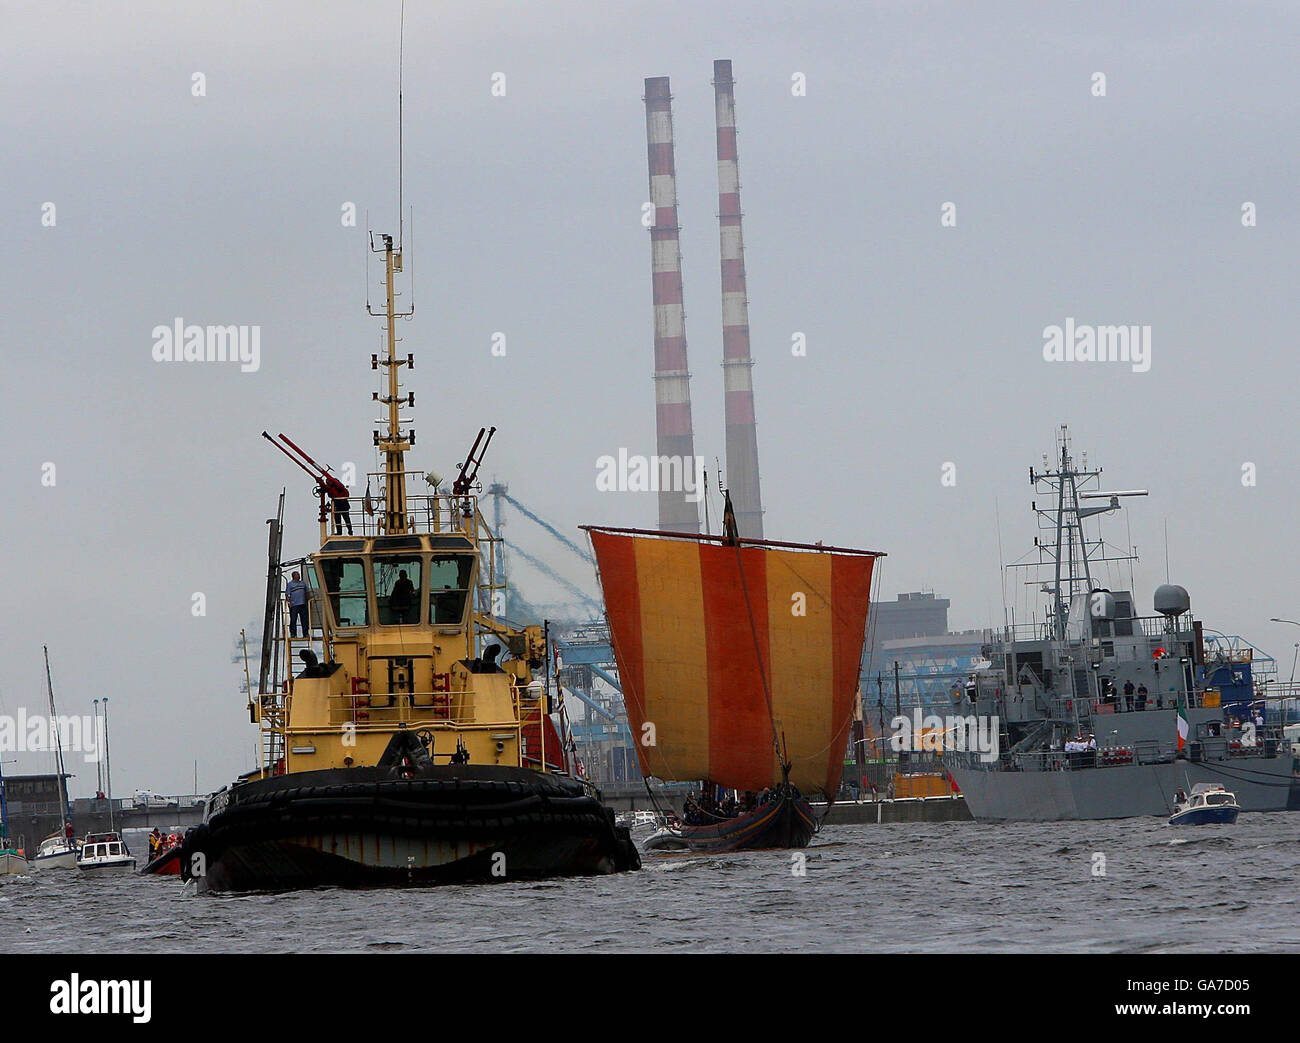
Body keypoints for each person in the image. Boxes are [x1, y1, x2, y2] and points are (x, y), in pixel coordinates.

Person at [286, 571, 310, 638]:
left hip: (303, 604)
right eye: (297, 575)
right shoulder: (290, 584)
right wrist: (289, 602)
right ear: (294, 576)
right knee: (293, 620)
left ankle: (305, 633)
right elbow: (287, 595)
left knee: (304, 620)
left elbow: (307, 592)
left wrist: (309, 600)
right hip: (294, 605)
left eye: (299, 575)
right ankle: (293, 634)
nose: (299, 576)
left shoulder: (303, 583)